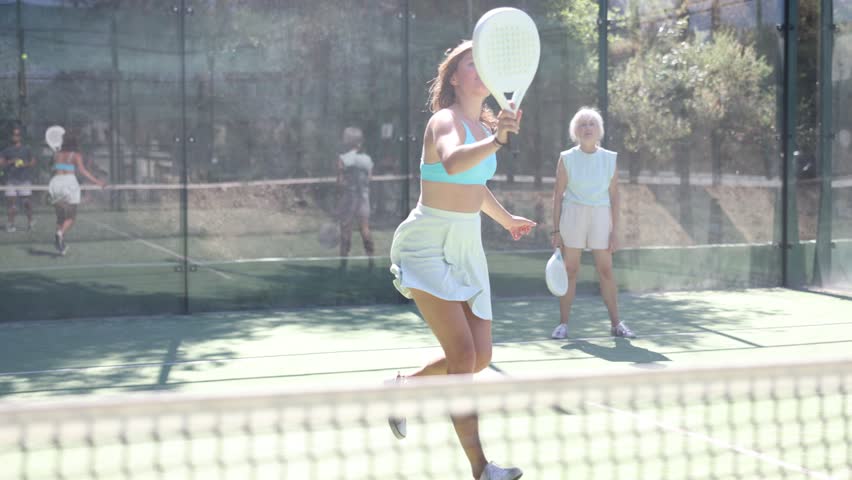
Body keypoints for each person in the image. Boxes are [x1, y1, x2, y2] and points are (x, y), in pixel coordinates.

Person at [386, 40, 535, 480]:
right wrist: (495, 140)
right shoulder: (445, 121)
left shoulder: (482, 123)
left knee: (479, 355)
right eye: (472, 65)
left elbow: (473, 185)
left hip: (468, 244)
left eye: (484, 66)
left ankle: (403, 389)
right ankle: (481, 468)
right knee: (463, 355)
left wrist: (505, 219)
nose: (480, 71)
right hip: (428, 244)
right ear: (454, 77)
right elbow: (453, 163)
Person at [549, 107, 635, 340]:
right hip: (572, 216)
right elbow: (558, 195)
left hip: (600, 216)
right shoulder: (566, 158)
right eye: (582, 124)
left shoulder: (609, 158)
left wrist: (614, 231)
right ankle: (563, 325)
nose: (587, 128)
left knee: (606, 270)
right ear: (575, 130)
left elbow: (615, 196)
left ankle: (617, 324)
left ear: (599, 130)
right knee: (570, 271)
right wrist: (555, 230)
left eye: (592, 124)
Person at [48, 131, 107, 255]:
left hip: (55, 183)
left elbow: (51, 168)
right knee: (71, 217)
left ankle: (60, 245)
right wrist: (98, 182)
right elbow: (83, 172)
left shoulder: (56, 154)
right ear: (75, 142)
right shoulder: (76, 155)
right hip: (68, 184)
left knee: (60, 217)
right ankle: (59, 234)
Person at [336, 126, 374, 269]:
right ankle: (371, 261)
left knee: (346, 230)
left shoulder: (342, 159)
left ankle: (343, 264)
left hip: (348, 200)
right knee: (365, 228)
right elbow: (369, 178)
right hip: (364, 199)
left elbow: (340, 182)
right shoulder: (367, 159)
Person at [1, 127, 36, 232]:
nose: (15, 137)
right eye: (14, 135)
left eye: (17, 135)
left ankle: (30, 222)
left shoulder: (27, 149)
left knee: (26, 203)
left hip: (24, 180)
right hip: (11, 180)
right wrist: (10, 161)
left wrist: (25, 164)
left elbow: (33, 162)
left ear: (21, 137)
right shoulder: (6, 150)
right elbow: (1, 164)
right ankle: (11, 224)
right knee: (12, 204)